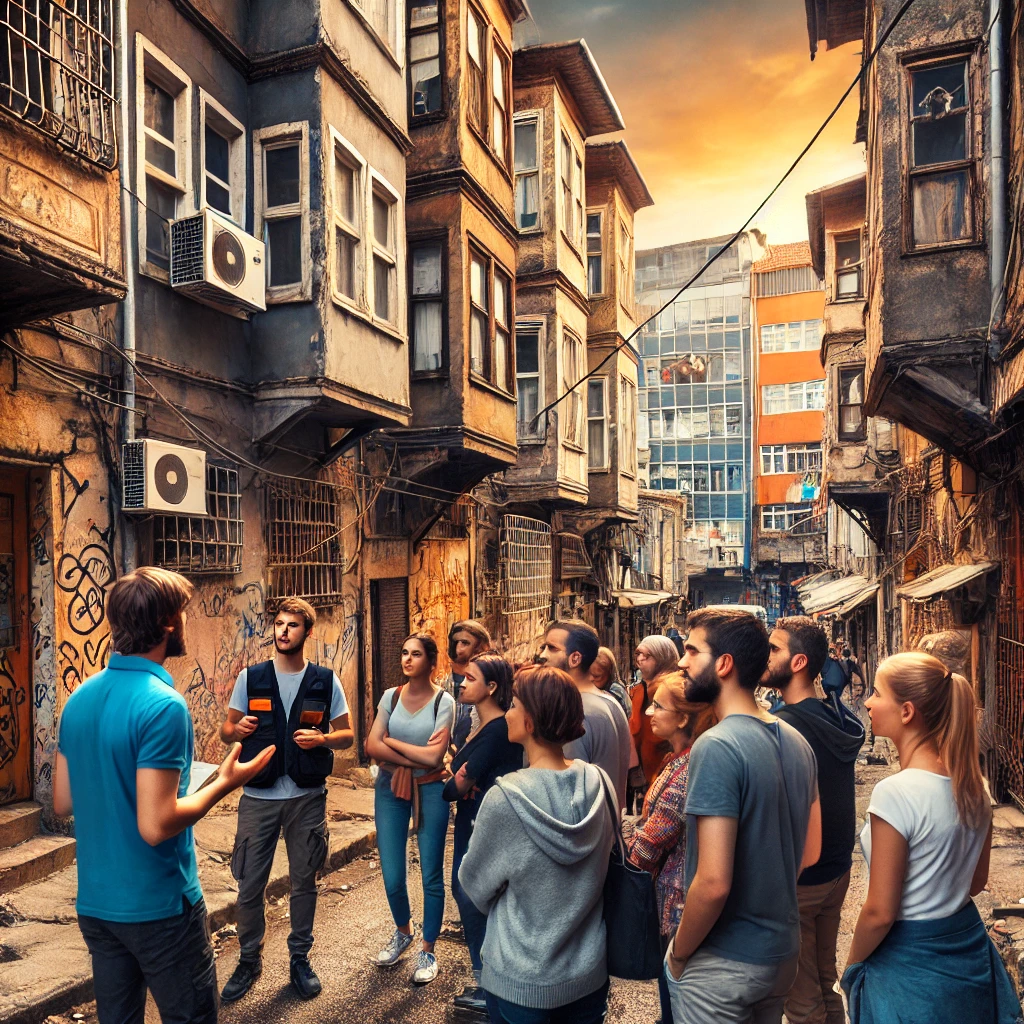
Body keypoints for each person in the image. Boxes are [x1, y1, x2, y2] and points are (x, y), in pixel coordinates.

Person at [53, 567, 276, 1024]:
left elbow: (62, 802)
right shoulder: (163, 705)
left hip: (97, 904)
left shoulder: (79, 698)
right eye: (185, 612)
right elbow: (155, 824)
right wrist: (223, 783)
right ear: (169, 623)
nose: (188, 621)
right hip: (159, 907)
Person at [842, 653, 1021, 1023]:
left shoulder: (896, 793)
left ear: (906, 711)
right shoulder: (975, 787)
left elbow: (879, 912)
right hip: (966, 956)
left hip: (910, 970)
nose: (867, 702)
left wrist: (851, 968)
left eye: (876, 693)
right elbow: (975, 882)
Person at [664, 607, 821, 1024]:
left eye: (692, 651)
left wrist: (678, 955)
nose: (682, 661)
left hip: (725, 962)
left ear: (724, 664)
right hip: (780, 956)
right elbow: (808, 855)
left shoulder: (716, 746)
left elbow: (713, 883)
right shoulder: (797, 741)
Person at [459, 667, 617, 1024]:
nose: (508, 713)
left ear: (530, 722)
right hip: (588, 974)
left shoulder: (506, 798)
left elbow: (475, 885)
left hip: (521, 980)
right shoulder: (600, 783)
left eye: (514, 705)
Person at [219, 598, 353, 1002]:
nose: (283, 631)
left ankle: (299, 959)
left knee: (303, 881)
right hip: (258, 796)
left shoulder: (326, 681)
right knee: (248, 884)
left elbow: (347, 734)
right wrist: (235, 727)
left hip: (307, 796)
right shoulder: (250, 677)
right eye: (279, 624)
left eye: (292, 625)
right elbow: (226, 731)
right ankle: (248, 959)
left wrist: (323, 738)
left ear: (307, 632)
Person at [764, 617, 863, 1024]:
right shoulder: (834, 714)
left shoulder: (786, 726)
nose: (765, 657)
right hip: (836, 869)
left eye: (774, 649)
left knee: (800, 997)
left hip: (805, 877)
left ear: (799, 661)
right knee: (824, 981)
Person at [621, 672, 716, 1024]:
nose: (648, 713)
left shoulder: (687, 766)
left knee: (675, 996)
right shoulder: (677, 758)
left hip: (676, 900)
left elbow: (656, 836)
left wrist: (626, 858)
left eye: (658, 706)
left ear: (683, 718)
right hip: (673, 892)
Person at [365, 632, 455, 985]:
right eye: (404, 653)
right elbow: (372, 746)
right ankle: (403, 930)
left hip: (431, 788)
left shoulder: (443, 702)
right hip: (389, 786)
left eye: (415, 654)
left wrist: (391, 741)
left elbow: (434, 757)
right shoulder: (391, 696)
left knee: (431, 873)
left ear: (431, 662)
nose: (407, 659)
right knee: (391, 873)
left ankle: (428, 949)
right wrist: (404, 752)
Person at [443, 654, 522, 1013]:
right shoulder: (480, 725)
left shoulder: (497, 729)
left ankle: (489, 987)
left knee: (472, 897)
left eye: (469, 678)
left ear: (491, 687)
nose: (461, 683)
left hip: (481, 825)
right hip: (471, 820)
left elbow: (455, 787)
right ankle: (487, 983)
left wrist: (450, 775)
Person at [538, 620, 631, 809]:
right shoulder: (608, 700)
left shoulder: (575, 709)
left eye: (552, 648)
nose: (542, 655)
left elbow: (568, 792)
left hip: (584, 832)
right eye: (543, 647)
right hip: (607, 827)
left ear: (575, 658)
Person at [632, 636, 677, 788]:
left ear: (662, 658)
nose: (640, 659)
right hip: (646, 768)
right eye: (638, 654)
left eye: (647, 655)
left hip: (665, 769)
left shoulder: (670, 689)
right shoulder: (639, 690)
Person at [442, 619, 491, 750]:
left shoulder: (490, 685)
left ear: (480, 647)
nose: (458, 648)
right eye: (455, 642)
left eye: (465, 643)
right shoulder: (442, 684)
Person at [589, 646, 632, 719]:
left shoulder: (616, 690)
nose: (591, 679)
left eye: (596, 676)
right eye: (589, 674)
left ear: (609, 673)